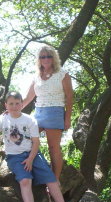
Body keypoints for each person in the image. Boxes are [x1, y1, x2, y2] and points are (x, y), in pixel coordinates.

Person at [0, 92, 73, 202]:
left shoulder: (29, 120)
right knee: (25, 181)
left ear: (22, 104)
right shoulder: (3, 119)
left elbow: (36, 142)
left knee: (51, 180)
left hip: (32, 153)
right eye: (11, 104)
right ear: (6, 105)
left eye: (17, 103)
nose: (14, 106)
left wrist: (31, 159)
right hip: (15, 157)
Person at [23, 45, 73, 182]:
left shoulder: (63, 74)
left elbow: (69, 97)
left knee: (53, 147)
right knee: (27, 140)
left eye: (49, 56)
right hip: (38, 113)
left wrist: (67, 119)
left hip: (55, 112)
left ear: (54, 58)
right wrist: (11, 110)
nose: (46, 59)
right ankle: (31, 172)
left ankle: (54, 180)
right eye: (42, 56)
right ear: (39, 59)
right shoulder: (36, 77)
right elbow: (27, 98)